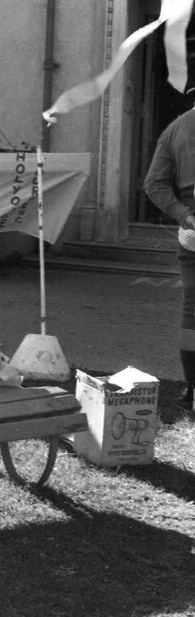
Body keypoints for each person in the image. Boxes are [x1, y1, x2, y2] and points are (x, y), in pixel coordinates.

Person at [144, 105, 195, 419]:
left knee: (193, 311)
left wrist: (185, 215)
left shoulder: (176, 127)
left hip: (192, 226)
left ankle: (192, 389)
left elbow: (154, 184)